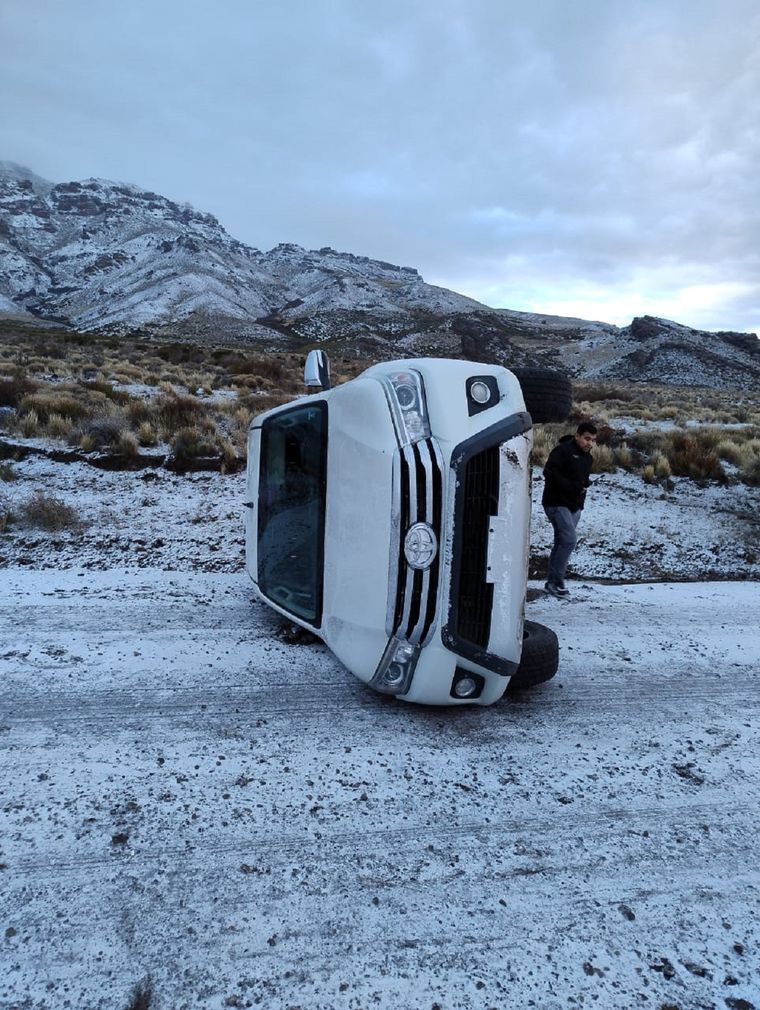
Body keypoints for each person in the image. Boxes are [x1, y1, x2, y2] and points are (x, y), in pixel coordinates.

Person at [542, 421, 597, 597]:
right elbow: (549, 472)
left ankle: (551, 582)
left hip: (574, 506)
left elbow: (581, 481)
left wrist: (581, 495)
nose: (589, 443)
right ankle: (557, 581)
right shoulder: (562, 451)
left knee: (561, 541)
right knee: (569, 540)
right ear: (578, 436)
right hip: (556, 502)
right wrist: (572, 486)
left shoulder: (588, 458)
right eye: (587, 438)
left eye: (593, 440)